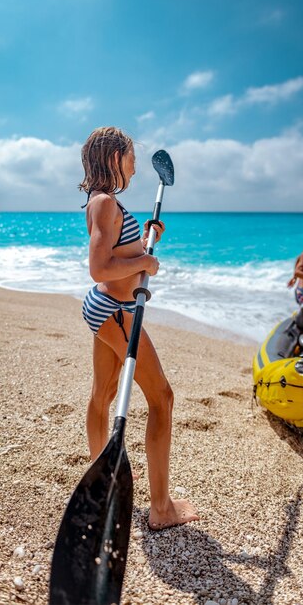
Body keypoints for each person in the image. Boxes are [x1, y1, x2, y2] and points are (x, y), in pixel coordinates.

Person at [80, 126, 199, 530]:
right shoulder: (105, 203)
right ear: (115, 157)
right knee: (162, 397)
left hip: (106, 306)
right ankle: (161, 508)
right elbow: (100, 267)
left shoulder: (106, 204)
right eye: (131, 156)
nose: (134, 163)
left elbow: (117, 251)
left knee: (104, 394)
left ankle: (98, 489)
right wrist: (144, 265)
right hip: (117, 309)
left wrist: (146, 240)